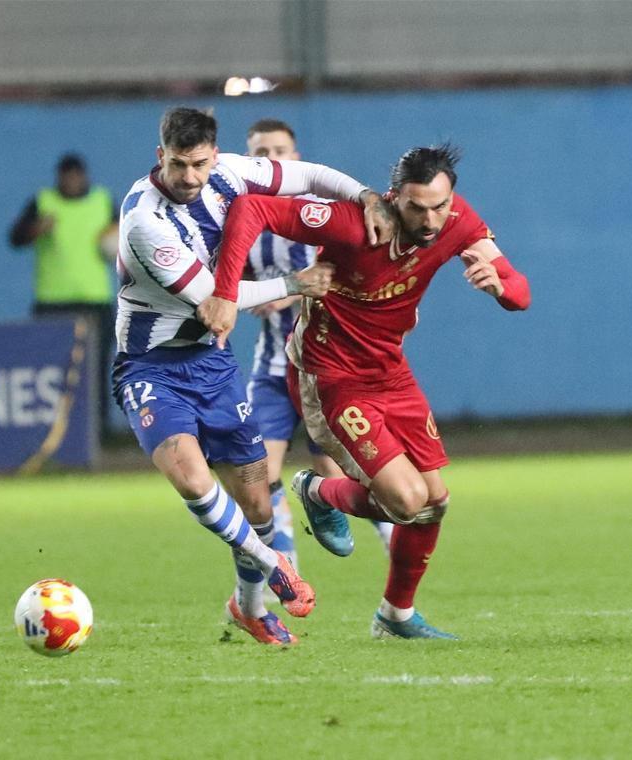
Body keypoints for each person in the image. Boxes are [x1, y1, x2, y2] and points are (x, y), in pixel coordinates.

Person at [200, 144, 531, 639]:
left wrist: (501, 288)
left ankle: (394, 617)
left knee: (434, 503)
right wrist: (226, 291)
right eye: (417, 207)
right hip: (329, 375)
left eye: (439, 206)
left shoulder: (458, 220)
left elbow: (521, 291)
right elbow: (253, 207)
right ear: (394, 197)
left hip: (391, 373)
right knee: (406, 500)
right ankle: (317, 490)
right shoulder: (354, 224)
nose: (430, 219)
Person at [112, 107, 393, 646]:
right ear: (159, 157)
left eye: (198, 164)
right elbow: (213, 300)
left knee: (258, 501)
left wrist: (365, 196)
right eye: (177, 165)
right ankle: (274, 565)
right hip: (152, 367)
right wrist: (297, 282)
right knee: (194, 480)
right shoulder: (144, 221)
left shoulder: (231, 174)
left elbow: (307, 175)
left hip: (212, 365)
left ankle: (247, 607)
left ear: (214, 156)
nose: (189, 178)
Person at [242, 119, 393, 568]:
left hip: (323, 369)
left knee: (338, 473)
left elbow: (342, 279)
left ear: (296, 156)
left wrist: (286, 290)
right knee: (258, 475)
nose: (270, 159)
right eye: (260, 152)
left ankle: (393, 537)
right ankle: (284, 558)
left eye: (279, 150)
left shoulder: (321, 212)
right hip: (271, 367)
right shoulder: (239, 216)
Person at [9, 153, 117, 431]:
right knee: (50, 370)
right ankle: (52, 430)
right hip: (53, 303)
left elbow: (123, 237)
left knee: (96, 370)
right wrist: (37, 229)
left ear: (84, 177)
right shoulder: (44, 202)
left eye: (75, 176)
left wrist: (115, 242)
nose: (70, 182)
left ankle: (98, 431)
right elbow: (16, 237)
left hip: (94, 301)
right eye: (65, 177)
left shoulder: (103, 202)